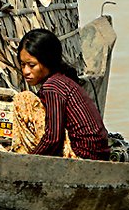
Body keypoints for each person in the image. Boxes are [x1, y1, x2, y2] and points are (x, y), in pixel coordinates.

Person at [12, 28, 110, 160]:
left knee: (23, 99)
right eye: (23, 65)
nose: (26, 71)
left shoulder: (52, 87)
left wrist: (31, 161)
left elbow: (53, 138)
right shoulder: (62, 81)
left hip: (83, 155)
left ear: (47, 61)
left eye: (31, 65)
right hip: (97, 153)